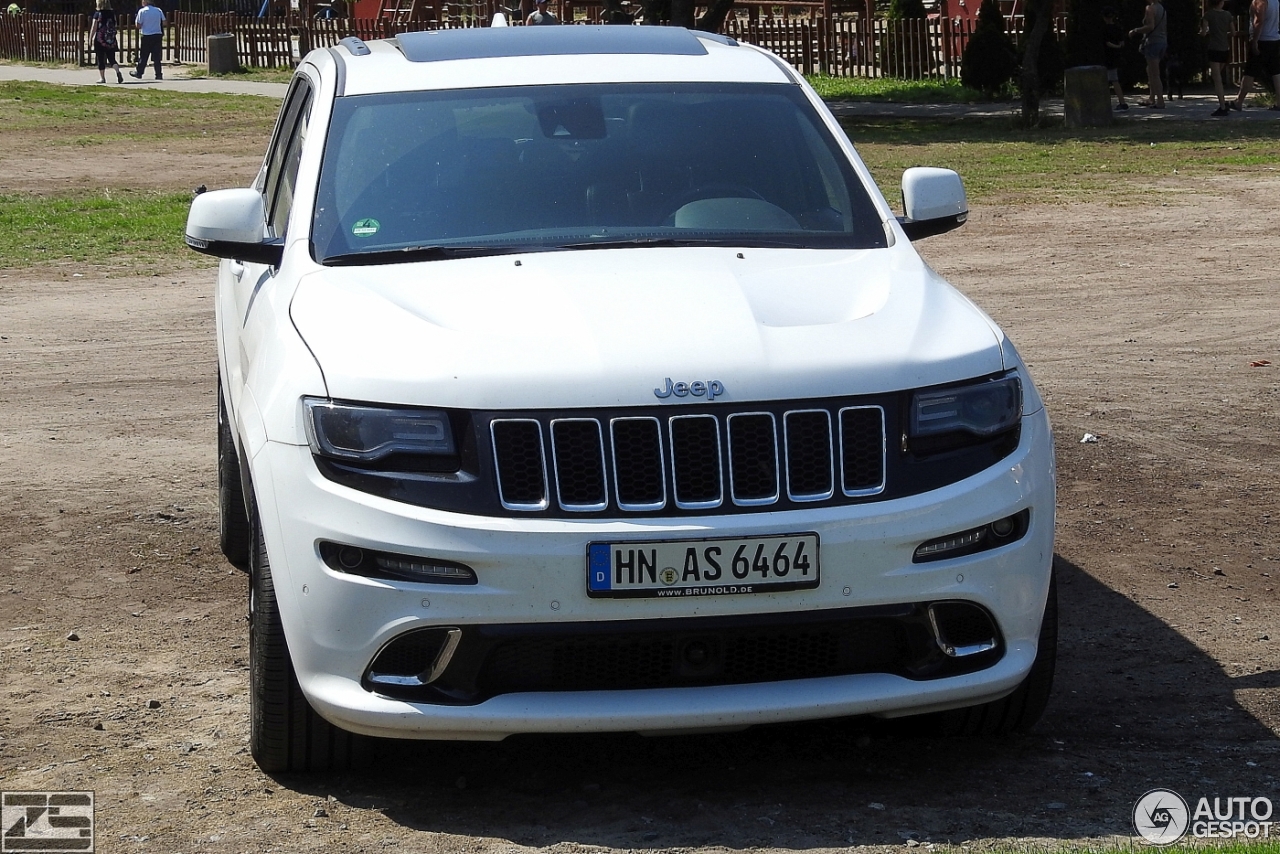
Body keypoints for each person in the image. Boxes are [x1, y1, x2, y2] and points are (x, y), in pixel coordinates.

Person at [1232, 0, 1280, 109]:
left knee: (1250, 71)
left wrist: (1255, 41)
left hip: (1262, 40)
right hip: (1274, 39)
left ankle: (1239, 102)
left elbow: (1259, 20)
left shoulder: (1260, 1)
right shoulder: (1275, 1)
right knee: (1276, 72)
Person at [1129, 0, 1167, 107]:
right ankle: (1151, 98)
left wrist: (1135, 30)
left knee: (1155, 74)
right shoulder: (1162, 9)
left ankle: (1160, 101)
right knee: (1150, 70)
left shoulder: (1150, 8)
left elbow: (1150, 26)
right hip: (1162, 42)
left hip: (1153, 42)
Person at [1203, 0, 1234, 114]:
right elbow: (1233, 32)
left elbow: (1203, 31)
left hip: (1214, 48)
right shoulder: (1228, 15)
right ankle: (1223, 102)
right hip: (1225, 48)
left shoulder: (1208, 15)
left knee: (1217, 79)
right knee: (1218, 76)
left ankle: (1222, 105)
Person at [88, 0, 124, 85]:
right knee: (112, 58)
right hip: (111, 40)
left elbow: (94, 27)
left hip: (100, 39)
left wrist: (90, 38)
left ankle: (102, 78)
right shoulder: (112, 14)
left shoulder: (98, 14)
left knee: (100, 59)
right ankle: (117, 71)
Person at [129, 0, 165, 81]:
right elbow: (164, 22)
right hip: (157, 34)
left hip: (146, 35)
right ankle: (158, 74)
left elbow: (138, 25)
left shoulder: (142, 11)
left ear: (145, 2)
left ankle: (139, 73)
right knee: (156, 56)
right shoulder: (158, 10)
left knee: (144, 55)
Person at [1103, 7, 1130, 110]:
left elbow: (1107, 43)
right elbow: (1122, 42)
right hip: (1116, 56)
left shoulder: (1104, 29)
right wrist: (1118, 47)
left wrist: (1115, 46)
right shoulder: (1118, 28)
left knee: (1109, 80)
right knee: (1115, 80)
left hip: (1107, 56)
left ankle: (1115, 102)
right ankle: (1121, 101)